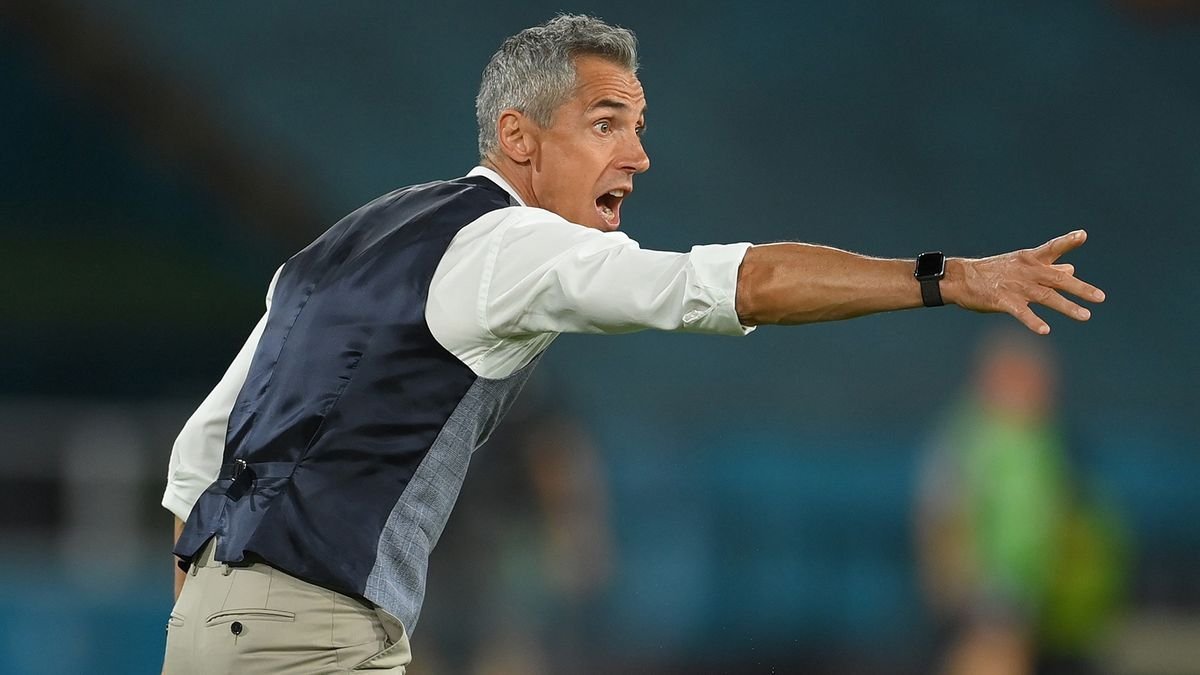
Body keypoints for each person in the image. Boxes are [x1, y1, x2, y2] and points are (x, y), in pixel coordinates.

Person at [160, 14, 1106, 674]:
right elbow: (731, 286)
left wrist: (222, 616)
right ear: (519, 138)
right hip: (314, 638)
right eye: (606, 123)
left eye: (639, 128)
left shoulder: (349, 238)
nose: (639, 155)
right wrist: (946, 276)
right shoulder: (515, 245)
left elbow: (196, 457)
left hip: (209, 624)